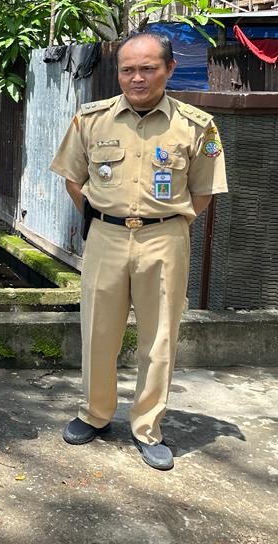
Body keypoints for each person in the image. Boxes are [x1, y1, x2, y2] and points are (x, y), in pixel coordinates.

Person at [50, 31, 228, 471]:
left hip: (165, 238)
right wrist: (99, 217)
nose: (137, 78)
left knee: (160, 337)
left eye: (148, 68)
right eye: (128, 69)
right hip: (106, 236)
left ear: (168, 69)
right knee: (98, 331)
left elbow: (203, 191)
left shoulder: (196, 126)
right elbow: (74, 178)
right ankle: (94, 414)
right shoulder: (92, 120)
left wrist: (170, 222)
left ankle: (148, 426)